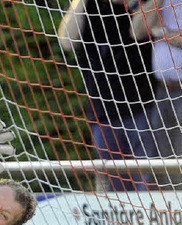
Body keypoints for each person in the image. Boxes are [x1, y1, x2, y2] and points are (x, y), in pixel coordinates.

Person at [58, 0, 156, 192]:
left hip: (142, 107)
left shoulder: (138, 4)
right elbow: (67, 41)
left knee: (147, 185)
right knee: (113, 190)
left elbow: (138, 30)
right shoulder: (88, 8)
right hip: (102, 113)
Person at [132, 0, 182, 189]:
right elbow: (136, 31)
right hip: (162, 92)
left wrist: (162, 33)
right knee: (161, 165)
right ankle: (168, 215)